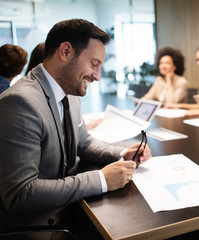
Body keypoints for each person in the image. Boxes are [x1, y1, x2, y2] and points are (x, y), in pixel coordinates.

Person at [0, 19, 152, 236]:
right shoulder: (19, 102)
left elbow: (83, 142)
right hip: (39, 225)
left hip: (69, 208)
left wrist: (121, 153)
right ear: (66, 52)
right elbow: (20, 194)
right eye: (94, 63)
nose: (97, 76)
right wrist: (101, 180)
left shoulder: (69, 93)